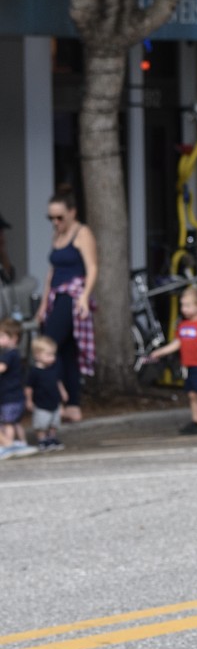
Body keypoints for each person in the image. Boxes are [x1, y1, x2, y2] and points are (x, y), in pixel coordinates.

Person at [36, 186, 97, 422]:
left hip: (72, 295)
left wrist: (84, 297)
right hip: (56, 296)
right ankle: (73, 405)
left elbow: (92, 267)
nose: (55, 222)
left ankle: (51, 401)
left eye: (59, 217)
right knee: (66, 351)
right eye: (50, 218)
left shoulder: (82, 233)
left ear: (72, 212)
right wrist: (43, 304)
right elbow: (51, 272)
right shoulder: (57, 235)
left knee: (48, 344)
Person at [147, 286, 197, 435]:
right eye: (183, 305)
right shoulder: (182, 326)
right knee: (192, 394)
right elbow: (177, 343)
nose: (184, 309)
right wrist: (160, 352)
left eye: (188, 305)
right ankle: (196, 421)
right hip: (189, 366)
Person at [0, 318, 37, 460]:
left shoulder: (9, 355)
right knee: (12, 422)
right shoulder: (13, 354)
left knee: (8, 423)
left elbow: (1, 368)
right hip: (11, 396)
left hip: (10, 396)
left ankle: (7, 446)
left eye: (2, 336)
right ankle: (16, 444)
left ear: (14, 338)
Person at [25, 334, 68, 452]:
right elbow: (29, 388)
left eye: (53, 355)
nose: (52, 358)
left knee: (54, 422)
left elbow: (57, 381)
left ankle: (52, 437)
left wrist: (63, 392)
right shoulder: (34, 372)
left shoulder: (54, 368)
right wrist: (28, 400)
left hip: (54, 401)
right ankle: (42, 440)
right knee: (41, 423)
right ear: (37, 356)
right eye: (48, 355)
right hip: (41, 403)